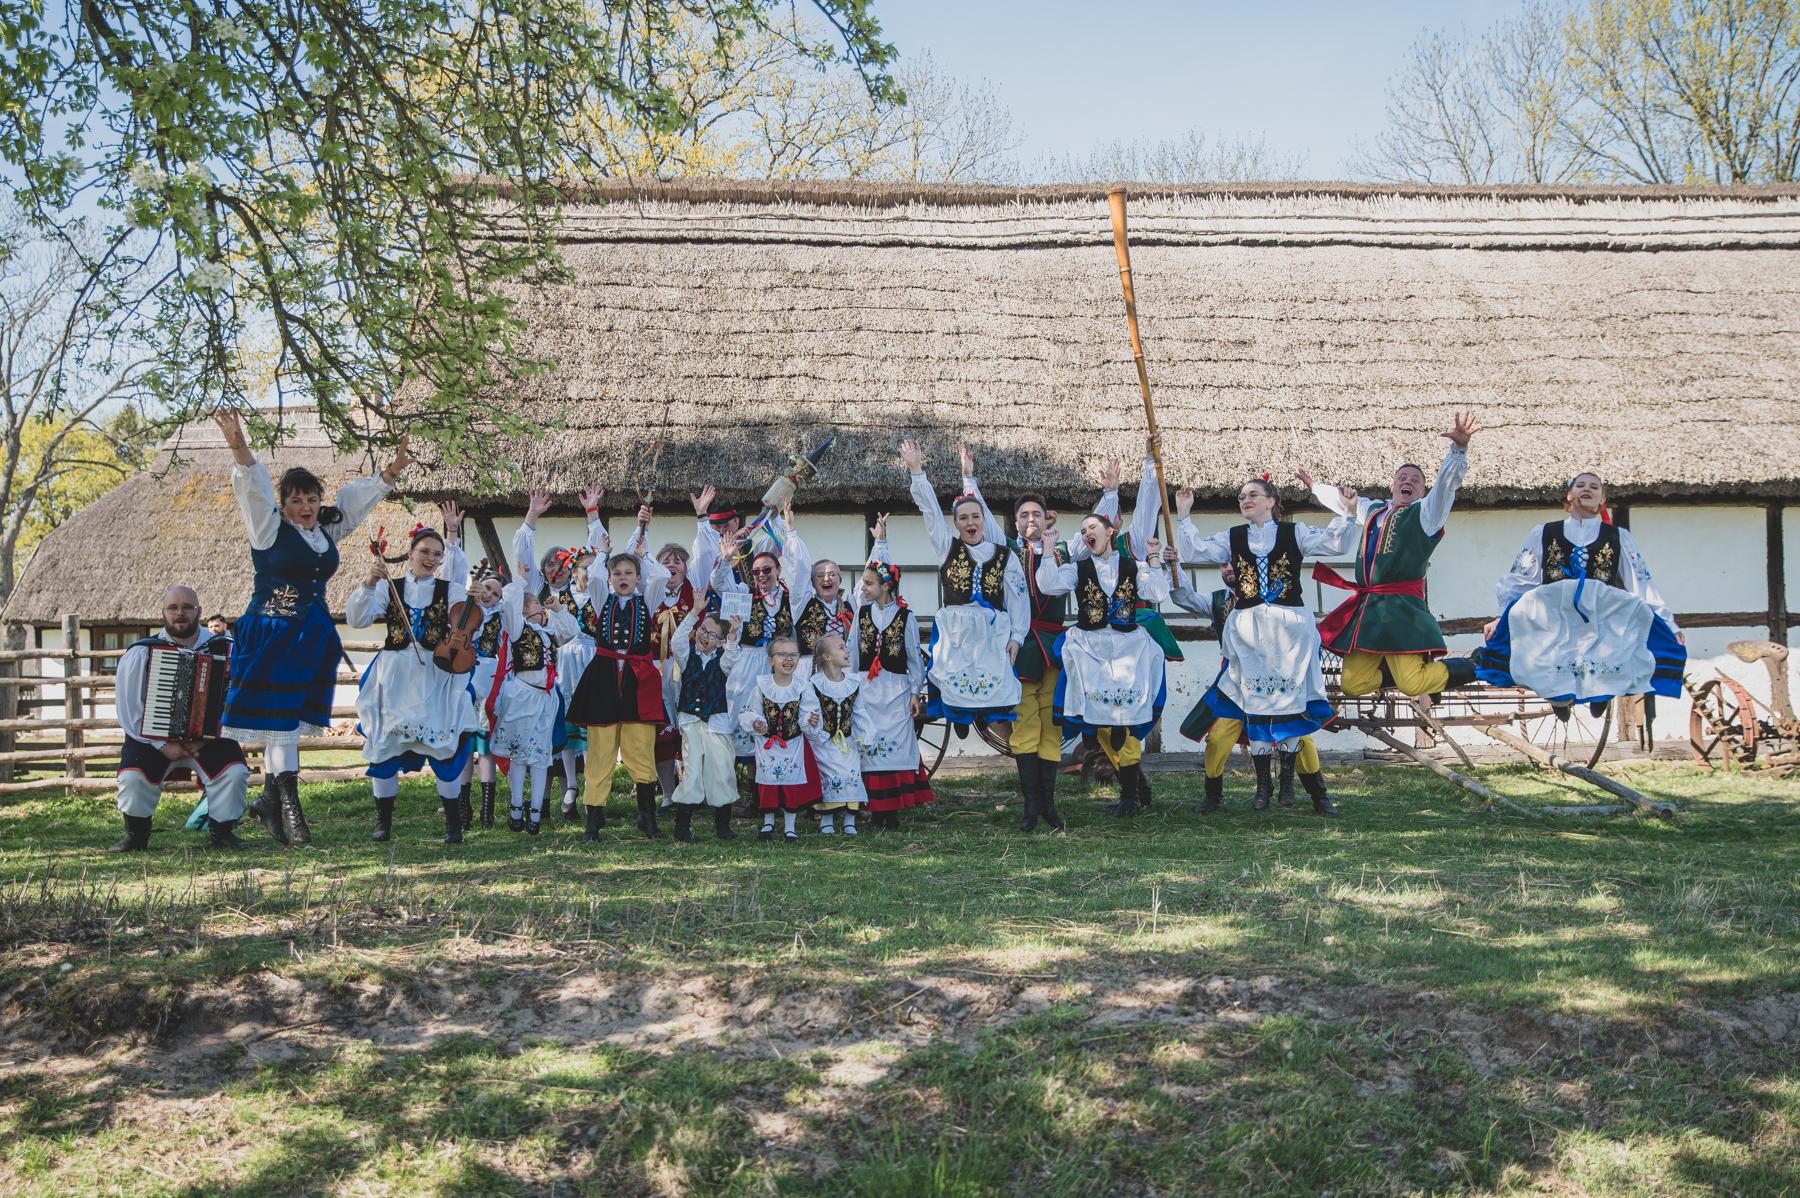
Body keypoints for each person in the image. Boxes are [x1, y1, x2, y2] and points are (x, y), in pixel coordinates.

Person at [214, 409, 408, 848]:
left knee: (283, 723)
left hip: (308, 637)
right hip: (271, 633)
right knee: (279, 724)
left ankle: (269, 801)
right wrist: (237, 444)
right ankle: (292, 815)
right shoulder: (267, 530)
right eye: (297, 501)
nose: (306, 507)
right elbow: (252, 484)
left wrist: (391, 472)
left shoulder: (322, 534)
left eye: (312, 499)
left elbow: (355, 505)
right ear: (283, 506)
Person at [956, 444, 1132, 831]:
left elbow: (1097, 528)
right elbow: (977, 516)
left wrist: (1111, 491)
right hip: (1019, 647)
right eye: (1023, 515)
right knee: (1025, 724)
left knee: (1051, 724)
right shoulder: (1002, 551)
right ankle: (1030, 808)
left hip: (1053, 646)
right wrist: (970, 479)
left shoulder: (1066, 551)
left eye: (1036, 513)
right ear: (1015, 523)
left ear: (1044, 519)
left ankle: (1050, 806)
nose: (1030, 519)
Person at [1176, 472, 1356, 810]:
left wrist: (1346, 513)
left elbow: (1336, 544)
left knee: (1290, 707)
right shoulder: (1233, 537)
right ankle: (1263, 788)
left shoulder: (1295, 532)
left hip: (1290, 632)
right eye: (1242, 496)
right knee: (1257, 707)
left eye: (1253, 495)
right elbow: (1196, 551)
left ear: (1271, 502)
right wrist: (1184, 515)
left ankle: (1292, 786)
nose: (1245, 500)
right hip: (1251, 633)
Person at [1472, 472, 1686, 714]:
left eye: (1594, 487)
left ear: (1602, 498)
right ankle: (1558, 697)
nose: (1587, 489)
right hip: (1553, 613)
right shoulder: (1543, 532)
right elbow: (1520, 579)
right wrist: (1502, 615)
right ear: (1569, 495)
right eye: (1580, 485)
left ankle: (1601, 692)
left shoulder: (1619, 537)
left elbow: (1641, 583)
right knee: (1541, 644)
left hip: (1600, 615)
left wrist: (1670, 625)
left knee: (1612, 641)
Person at [1315, 412, 1481, 697]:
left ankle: (1474, 665)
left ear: (1423, 490)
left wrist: (1458, 451)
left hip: (1403, 609)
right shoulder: (1374, 511)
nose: (1409, 481)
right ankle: (1426, 675)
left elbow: (1446, 486)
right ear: (1392, 486)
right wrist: (1312, 485)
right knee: (1352, 686)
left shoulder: (1427, 514)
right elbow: (1342, 501)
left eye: (1415, 480)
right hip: (1369, 610)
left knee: (1410, 685)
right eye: (1402, 477)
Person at [346, 507, 482, 844]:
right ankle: (383, 823)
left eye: (437, 554)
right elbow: (357, 620)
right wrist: (369, 582)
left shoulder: (448, 590)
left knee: (444, 748)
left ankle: (452, 824)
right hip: (393, 677)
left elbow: (466, 622)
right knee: (385, 747)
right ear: (410, 553)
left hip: (434, 675)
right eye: (425, 552)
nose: (431, 558)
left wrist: (453, 538)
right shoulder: (388, 587)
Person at [1170, 556, 1337, 815]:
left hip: (1276, 682)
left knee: (1299, 735)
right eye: (1223, 564)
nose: (1228, 568)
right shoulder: (1217, 601)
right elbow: (1183, 597)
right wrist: (1172, 565)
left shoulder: (1273, 598)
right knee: (1218, 737)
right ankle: (1212, 797)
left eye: (1232, 563)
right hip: (1235, 685)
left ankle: (1319, 796)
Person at [1035, 511, 1171, 820]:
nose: (1086, 534)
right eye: (1082, 531)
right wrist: (1046, 550)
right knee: (1088, 691)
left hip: (1126, 645)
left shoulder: (1132, 566)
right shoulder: (1078, 568)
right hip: (1091, 646)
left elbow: (1158, 593)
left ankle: (1131, 796)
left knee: (1128, 706)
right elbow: (1048, 585)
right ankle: (1092, 727)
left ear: (1109, 532)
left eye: (1092, 528)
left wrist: (1153, 559)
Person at [111, 587, 251, 852]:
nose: (180, 613)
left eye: (187, 607)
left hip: (212, 738)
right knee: (132, 777)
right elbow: (130, 709)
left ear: (198, 610)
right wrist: (162, 745)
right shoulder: (141, 652)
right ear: (164, 612)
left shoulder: (227, 648)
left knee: (234, 773)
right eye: (173, 608)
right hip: (153, 739)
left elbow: (239, 700)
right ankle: (136, 836)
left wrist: (205, 739)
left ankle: (222, 833)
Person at [900, 438, 1027, 729]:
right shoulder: (947, 547)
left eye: (975, 516)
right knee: (953, 674)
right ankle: (958, 713)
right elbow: (931, 514)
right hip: (957, 631)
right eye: (963, 518)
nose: (970, 522)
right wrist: (917, 470)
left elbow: (1018, 597)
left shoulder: (1005, 556)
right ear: (956, 524)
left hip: (992, 630)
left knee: (993, 679)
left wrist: (1017, 637)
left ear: (983, 520)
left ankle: (979, 714)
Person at [568, 502, 671, 840]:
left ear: (638, 578)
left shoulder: (649, 598)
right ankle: (594, 820)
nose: (623, 578)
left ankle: (647, 817)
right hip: (603, 679)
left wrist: (644, 549)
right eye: (618, 574)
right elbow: (596, 574)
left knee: (641, 748)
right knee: (599, 751)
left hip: (639, 679)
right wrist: (602, 553)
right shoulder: (600, 597)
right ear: (611, 579)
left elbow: (662, 575)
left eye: (629, 574)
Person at [488, 531, 580, 834]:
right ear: (526, 612)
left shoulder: (550, 633)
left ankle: (537, 812)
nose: (541, 610)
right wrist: (519, 581)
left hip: (545, 699)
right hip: (522, 696)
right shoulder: (518, 630)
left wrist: (558, 609)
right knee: (519, 753)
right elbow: (511, 607)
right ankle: (516, 806)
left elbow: (570, 631)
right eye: (536, 608)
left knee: (540, 755)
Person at [715, 505, 813, 755]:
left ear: (778, 570)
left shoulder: (792, 599)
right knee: (745, 716)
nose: (761, 575)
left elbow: (802, 570)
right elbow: (719, 584)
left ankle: (776, 777)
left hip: (780, 665)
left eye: (767, 570)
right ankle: (751, 785)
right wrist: (726, 559)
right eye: (756, 571)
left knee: (779, 716)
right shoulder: (744, 595)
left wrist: (788, 530)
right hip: (748, 665)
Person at [851, 530, 933, 829]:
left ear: (887, 586)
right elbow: (851, 653)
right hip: (867, 689)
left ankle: (893, 810)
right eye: (864, 582)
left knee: (896, 744)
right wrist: (849, 689)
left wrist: (915, 692)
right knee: (869, 743)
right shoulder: (861, 614)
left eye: (869, 583)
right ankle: (875, 811)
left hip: (896, 690)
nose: (864, 587)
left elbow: (913, 658)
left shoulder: (905, 617)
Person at [648, 505, 712, 810]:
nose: (672, 565)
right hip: (655, 670)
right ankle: (668, 793)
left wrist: (702, 518)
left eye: (677, 561)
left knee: (691, 728)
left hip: (688, 669)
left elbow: (706, 554)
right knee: (662, 732)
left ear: (686, 568)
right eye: (665, 561)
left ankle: (692, 788)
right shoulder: (650, 593)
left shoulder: (694, 587)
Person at [665, 607, 744, 841]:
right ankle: (682, 826)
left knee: (722, 769)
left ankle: (722, 825)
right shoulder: (687, 655)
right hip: (691, 721)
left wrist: (732, 636)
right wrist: (693, 614)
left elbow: (732, 657)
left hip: (717, 723)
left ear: (719, 642)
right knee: (691, 770)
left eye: (711, 634)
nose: (704, 635)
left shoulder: (722, 661)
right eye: (703, 629)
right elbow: (677, 640)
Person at [741, 633, 821, 842]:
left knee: (790, 783)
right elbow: (750, 711)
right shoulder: (761, 686)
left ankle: (790, 827)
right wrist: (756, 722)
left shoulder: (803, 687)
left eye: (794, 655)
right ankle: (768, 822)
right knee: (768, 783)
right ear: (771, 660)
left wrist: (810, 721)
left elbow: (806, 714)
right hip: (767, 745)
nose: (789, 659)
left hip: (792, 744)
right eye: (782, 654)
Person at [803, 632, 867, 835]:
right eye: (841, 648)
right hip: (824, 743)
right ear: (827, 657)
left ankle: (850, 820)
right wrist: (811, 721)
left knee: (851, 776)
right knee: (828, 779)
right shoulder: (814, 684)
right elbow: (808, 711)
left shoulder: (854, 683)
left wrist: (866, 736)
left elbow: (860, 712)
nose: (847, 651)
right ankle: (827, 820)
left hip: (847, 743)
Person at [462, 568, 507, 829]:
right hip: (464, 677)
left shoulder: (503, 617)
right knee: (465, 746)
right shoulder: (466, 610)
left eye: (495, 592)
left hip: (490, 681)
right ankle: (463, 807)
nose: (489, 594)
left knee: (486, 747)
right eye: (486, 588)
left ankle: (487, 811)